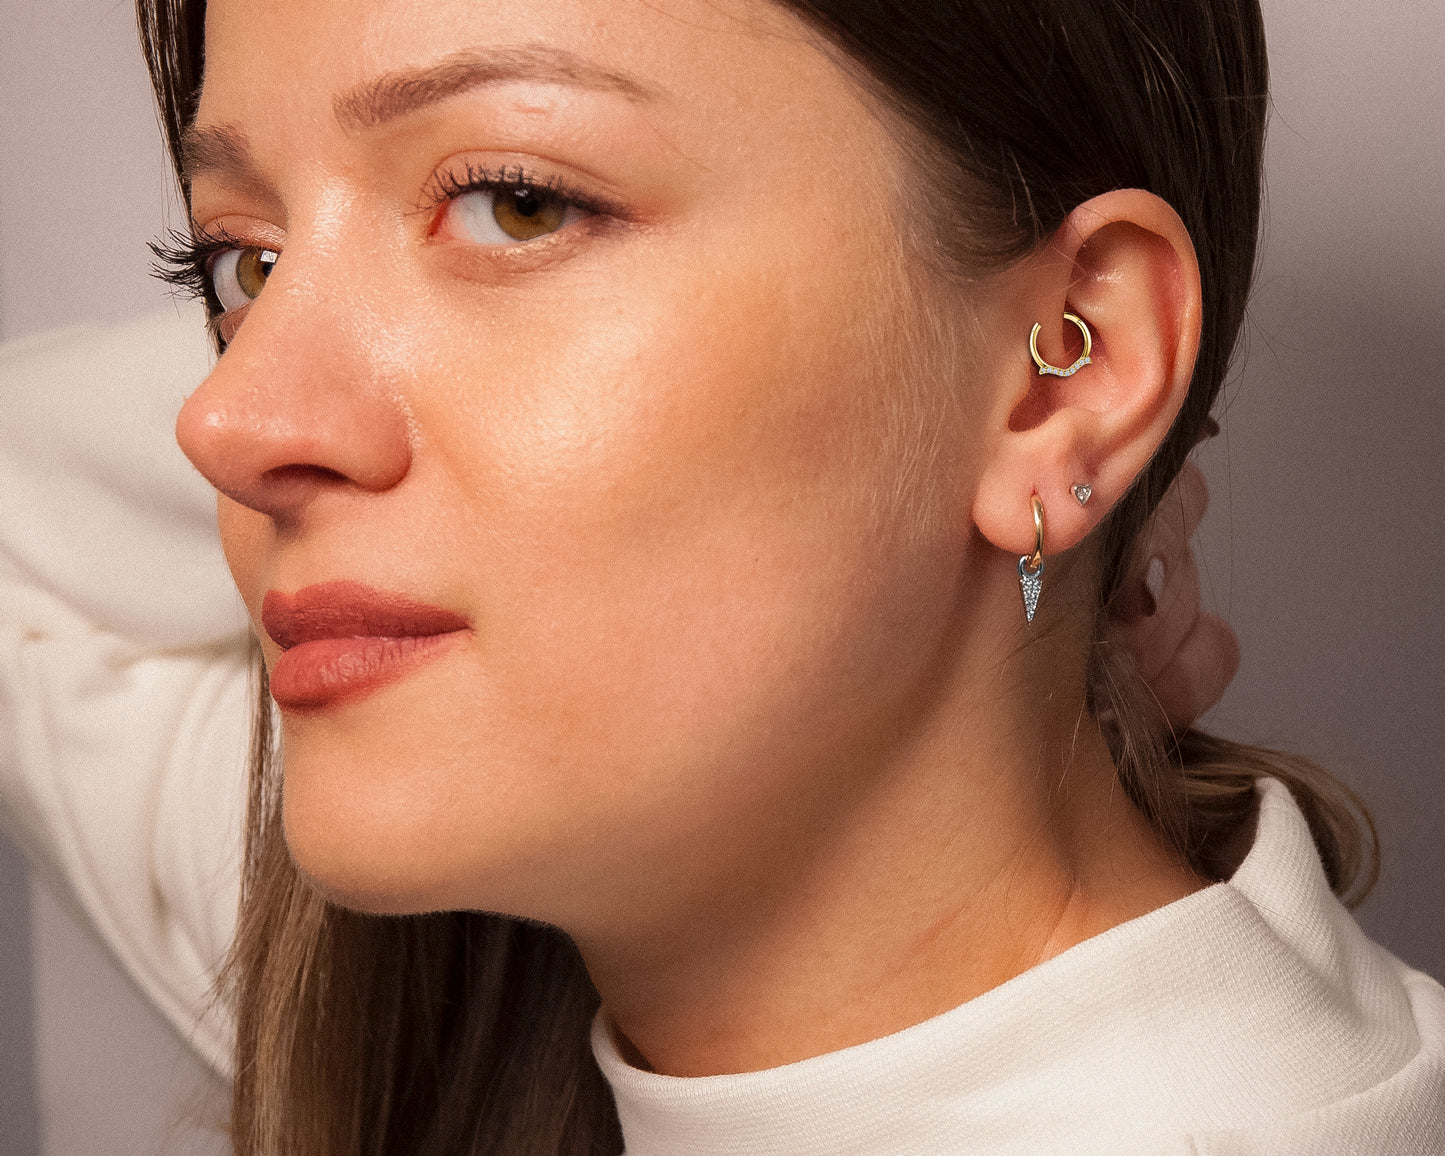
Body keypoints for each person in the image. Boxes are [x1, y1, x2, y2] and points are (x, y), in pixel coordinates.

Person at [3, 0, 1442, 1153]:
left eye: (516, 202)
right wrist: (1068, 484)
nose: (226, 421)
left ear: (1066, 358)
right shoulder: (449, 996)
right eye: (240, 265)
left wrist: (1073, 465)